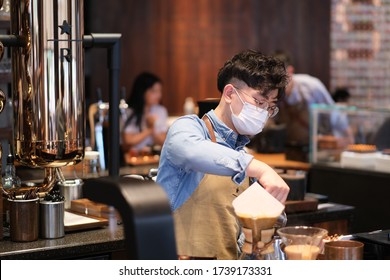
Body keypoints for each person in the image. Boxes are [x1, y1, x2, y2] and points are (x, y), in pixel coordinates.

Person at [156, 50, 290, 260]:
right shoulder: (189, 128)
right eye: (259, 102)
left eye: (270, 107)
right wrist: (260, 167)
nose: (264, 113)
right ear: (229, 94)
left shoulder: (242, 156)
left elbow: (245, 242)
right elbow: (191, 151)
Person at [272, 50, 335, 161]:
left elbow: (334, 116)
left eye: (280, 77)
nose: (277, 84)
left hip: (315, 150)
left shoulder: (312, 86)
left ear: (290, 71)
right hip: (287, 151)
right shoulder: (271, 92)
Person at [121, 72, 168, 155]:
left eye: (159, 91)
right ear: (142, 91)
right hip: (132, 158)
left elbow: (164, 142)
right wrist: (149, 129)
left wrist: (152, 128)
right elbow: (127, 142)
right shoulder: (128, 112)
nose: (159, 95)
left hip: (154, 157)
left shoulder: (161, 111)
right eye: (154, 91)